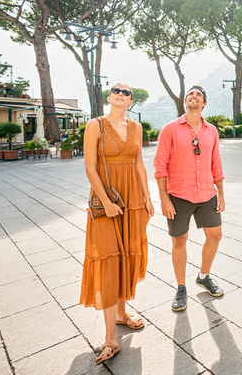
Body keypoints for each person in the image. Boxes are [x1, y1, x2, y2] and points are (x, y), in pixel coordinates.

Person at [79, 83, 154, 365]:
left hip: (133, 200)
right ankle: (110, 337)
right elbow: (89, 166)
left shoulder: (135, 127)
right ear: (109, 97)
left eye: (126, 93)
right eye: (116, 91)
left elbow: (139, 164)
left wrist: (148, 198)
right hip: (108, 201)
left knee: (127, 257)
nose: (120, 95)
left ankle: (122, 314)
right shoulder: (95, 125)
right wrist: (106, 202)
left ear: (131, 100)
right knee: (109, 260)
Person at [154, 85, 226, 314]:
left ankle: (203, 277)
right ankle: (181, 287)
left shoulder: (211, 131)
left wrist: (221, 193)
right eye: (190, 95)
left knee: (215, 235)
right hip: (179, 195)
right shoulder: (170, 129)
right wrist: (164, 199)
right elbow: (159, 166)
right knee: (179, 241)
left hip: (206, 193)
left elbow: (216, 163)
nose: (193, 97)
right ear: (186, 102)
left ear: (204, 103)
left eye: (199, 95)